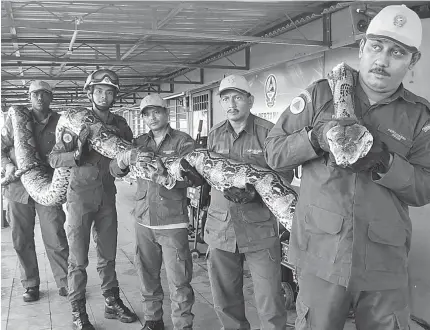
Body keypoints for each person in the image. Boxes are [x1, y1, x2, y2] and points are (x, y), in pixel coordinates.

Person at [265, 5, 430, 330]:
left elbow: (425, 186)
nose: (383, 60)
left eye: (397, 52)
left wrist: (386, 164)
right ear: (361, 48)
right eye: (376, 47)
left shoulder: (420, 117)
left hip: (384, 262)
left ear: (412, 62)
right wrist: (315, 138)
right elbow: (273, 152)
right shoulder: (320, 96)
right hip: (320, 256)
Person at [48, 69, 137, 330]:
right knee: (78, 258)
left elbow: (126, 162)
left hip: (108, 196)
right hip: (79, 199)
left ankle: (111, 301)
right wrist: (76, 154)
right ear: (90, 93)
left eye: (110, 92)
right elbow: (53, 158)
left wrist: (123, 166)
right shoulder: (76, 123)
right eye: (99, 91)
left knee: (108, 254)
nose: (104, 95)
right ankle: (78, 309)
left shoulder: (120, 125)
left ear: (115, 96)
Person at [205, 74, 293, 330]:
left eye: (237, 97)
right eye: (226, 99)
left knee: (269, 299)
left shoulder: (269, 132)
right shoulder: (215, 134)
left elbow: (285, 174)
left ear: (250, 100)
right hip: (221, 227)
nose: (231, 104)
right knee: (225, 299)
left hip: (259, 227)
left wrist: (257, 191)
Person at [110, 94, 204, 330]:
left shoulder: (184, 142)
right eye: (147, 114)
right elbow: (114, 169)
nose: (152, 117)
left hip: (172, 221)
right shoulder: (139, 142)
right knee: (147, 275)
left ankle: (183, 325)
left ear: (166, 113)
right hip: (144, 219)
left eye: (157, 112)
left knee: (179, 280)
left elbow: (196, 179)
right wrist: (122, 161)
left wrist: (167, 178)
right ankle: (153, 321)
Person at [1, 81, 69, 302]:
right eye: (35, 94)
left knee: (55, 235)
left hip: (47, 187)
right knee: (21, 239)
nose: (39, 98)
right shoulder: (16, 120)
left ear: (51, 97)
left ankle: (65, 281)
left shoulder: (61, 122)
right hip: (18, 189)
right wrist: (7, 165)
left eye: (44, 94)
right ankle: (31, 284)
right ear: (29, 97)